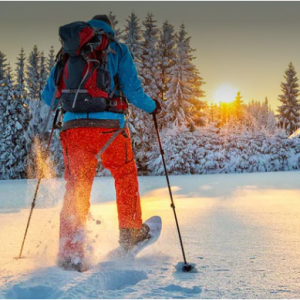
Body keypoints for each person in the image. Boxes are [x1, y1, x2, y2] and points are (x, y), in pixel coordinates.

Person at [42, 14, 161, 271]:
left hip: (73, 130)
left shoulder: (68, 52)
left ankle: (70, 253)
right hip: (110, 129)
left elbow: (48, 95)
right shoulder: (116, 49)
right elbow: (132, 91)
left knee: (77, 187)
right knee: (124, 174)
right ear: (109, 29)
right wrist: (153, 107)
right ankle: (130, 234)